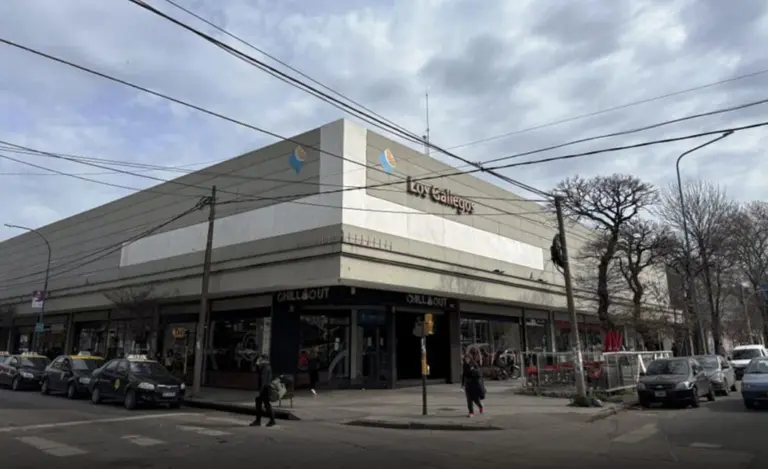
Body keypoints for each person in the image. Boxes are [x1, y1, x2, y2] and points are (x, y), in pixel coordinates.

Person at [250, 355, 276, 427]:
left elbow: (263, 381)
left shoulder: (265, 368)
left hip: (264, 388)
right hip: (266, 388)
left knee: (262, 404)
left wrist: (261, 391)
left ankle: (260, 421)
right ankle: (270, 420)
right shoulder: (267, 367)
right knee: (265, 404)